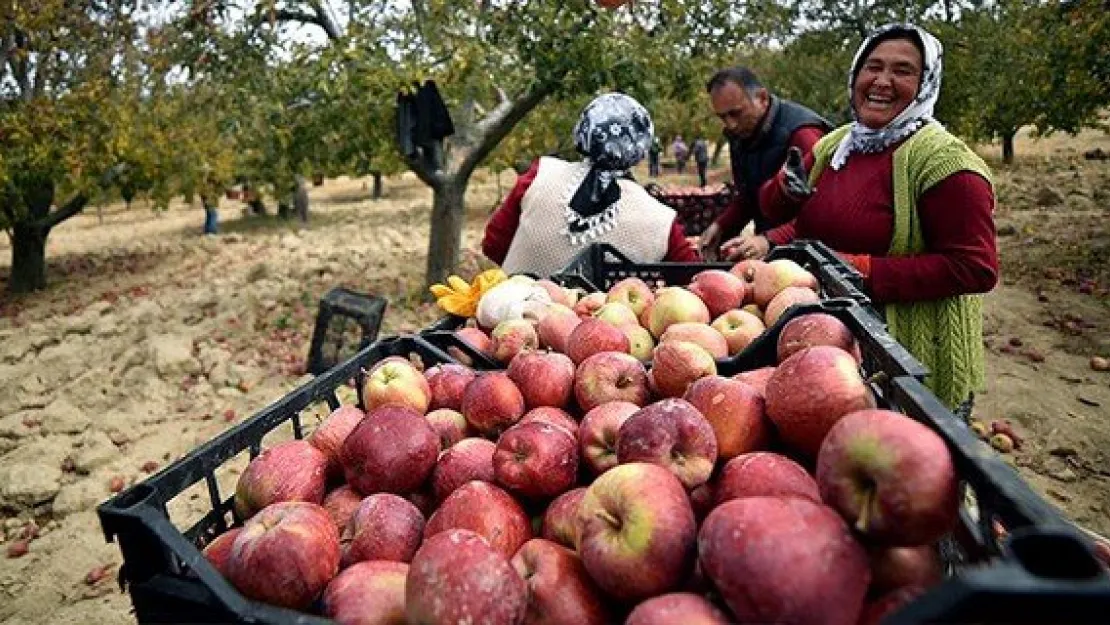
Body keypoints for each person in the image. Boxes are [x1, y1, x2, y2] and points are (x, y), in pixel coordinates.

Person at [758, 23, 998, 414]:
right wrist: (785, 189)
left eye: (902, 71)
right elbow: (781, 213)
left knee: (909, 468)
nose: (881, 81)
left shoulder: (946, 164)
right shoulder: (838, 145)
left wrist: (857, 270)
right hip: (830, 350)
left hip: (907, 360)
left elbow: (975, 268)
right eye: (872, 66)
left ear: (926, 84)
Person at [482, 93, 699, 277]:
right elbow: (691, 277)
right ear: (641, 149)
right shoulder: (660, 220)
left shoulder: (541, 175)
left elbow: (493, 244)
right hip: (611, 324)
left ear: (583, 131)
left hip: (516, 321)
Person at [698, 67, 832, 262]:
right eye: (722, 117)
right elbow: (749, 195)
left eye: (736, 113)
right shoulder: (742, 136)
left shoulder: (803, 135)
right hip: (774, 255)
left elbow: (824, 212)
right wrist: (721, 226)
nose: (730, 124)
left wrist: (770, 240)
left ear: (762, 98)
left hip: (809, 257)